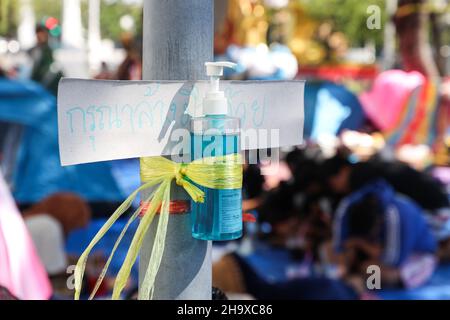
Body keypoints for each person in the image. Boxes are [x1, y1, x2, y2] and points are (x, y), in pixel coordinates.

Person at [333, 179, 437, 289]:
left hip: (416, 256)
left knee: (371, 269)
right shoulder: (349, 206)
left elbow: (392, 260)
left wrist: (360, 244)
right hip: (376, 254)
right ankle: (364, 283)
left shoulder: (396, 214)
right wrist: (344, 267)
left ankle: (372, 289)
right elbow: (340, 245)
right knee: (332, 251)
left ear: (379, 222)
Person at [28, 25, 62, 95]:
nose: (40, 36)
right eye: (38, 33)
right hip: (37, 84)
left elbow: (49, 68)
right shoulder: (34, 50)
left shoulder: (48, 50)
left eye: (42, 33)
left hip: (47, 84)